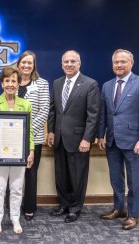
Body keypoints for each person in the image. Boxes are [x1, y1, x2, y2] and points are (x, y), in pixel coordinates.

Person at [98, 49, 139, 230]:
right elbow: (104, 114)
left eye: (123, 61)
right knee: (116, 179)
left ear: (132, 63)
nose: (119, 65)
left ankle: (133, 214)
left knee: (134, 181)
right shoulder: (107, 86)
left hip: (134, 142)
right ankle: (119, 208)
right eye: (116, 62)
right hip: (112, 141)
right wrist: (101, 135)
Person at [47, 50, 100, 223]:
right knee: (61, 174)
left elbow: (93, 115)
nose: (69, 65)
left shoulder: (90, 84)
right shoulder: (56, 83)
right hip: (59, 138)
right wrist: (51, 131)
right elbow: (53, 110)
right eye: (66, 62)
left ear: (79, 63)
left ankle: (75, 208)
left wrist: (87, 138)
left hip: (79, 140)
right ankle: (64, 205)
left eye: (72, 61)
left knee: (77, 176)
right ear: (62, 64)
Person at [0, 67, 34, 235]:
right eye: (7, 81)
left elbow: (30, 131)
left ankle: (15, 218)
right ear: (2, 83)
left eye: (14, 81)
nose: (10, 84)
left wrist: (31, 150)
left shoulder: (26, 104)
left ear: (18, 84)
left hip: (19, 155)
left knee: (17, 188)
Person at [16, 50, 50, 220]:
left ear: (34, 65)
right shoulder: (11, 81)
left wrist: (27, 130)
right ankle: (13, 207)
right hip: (12, 138)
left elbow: (44, 110)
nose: (26, 65)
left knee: (30, 173)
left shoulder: (42, 84)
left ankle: (30, 207)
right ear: (18, 64)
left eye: (30, 63)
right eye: (24, 62)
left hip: (33, 137)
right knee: (13, 174)